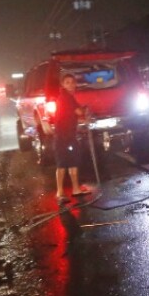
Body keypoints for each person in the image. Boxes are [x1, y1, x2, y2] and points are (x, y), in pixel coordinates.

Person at [53, 73, 88, 202]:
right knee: (62, 164)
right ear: (63, 84)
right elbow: (79, 112)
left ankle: (76, 189)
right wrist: (85, 110)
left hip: (69, 136)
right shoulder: (65, 97)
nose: (71, 85)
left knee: (73, 161)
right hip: (63, 137)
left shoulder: (68, 97)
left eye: (72, 82)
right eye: (67, 82)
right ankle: (60, 192)